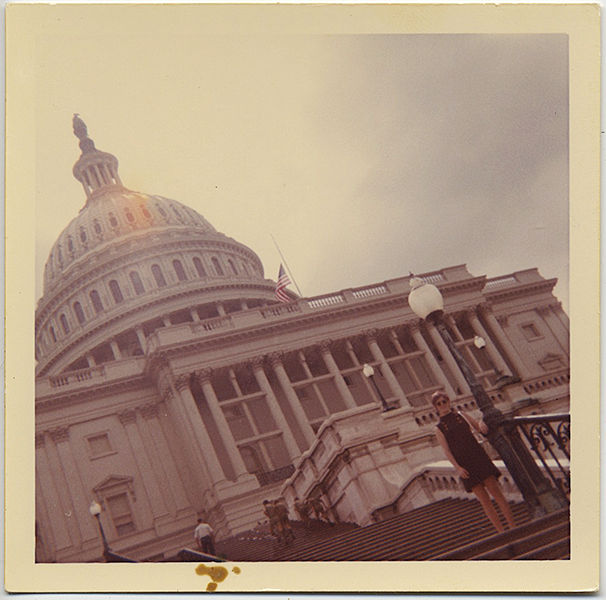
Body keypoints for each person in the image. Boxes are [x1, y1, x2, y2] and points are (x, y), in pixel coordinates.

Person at [432, 391, 516, 533]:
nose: (442, 405)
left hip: (478, 456)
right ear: (435, 407)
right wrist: (458, 468)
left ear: (448, 401)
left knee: (496, 493)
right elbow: (447, 451)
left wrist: (482, 423)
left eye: (444, 401)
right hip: (465, 464)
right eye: (439, 403)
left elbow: (478, 426)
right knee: (485, 501)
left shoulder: (461, 415)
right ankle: (501, 532)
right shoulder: (439, 428)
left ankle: (513, 527)